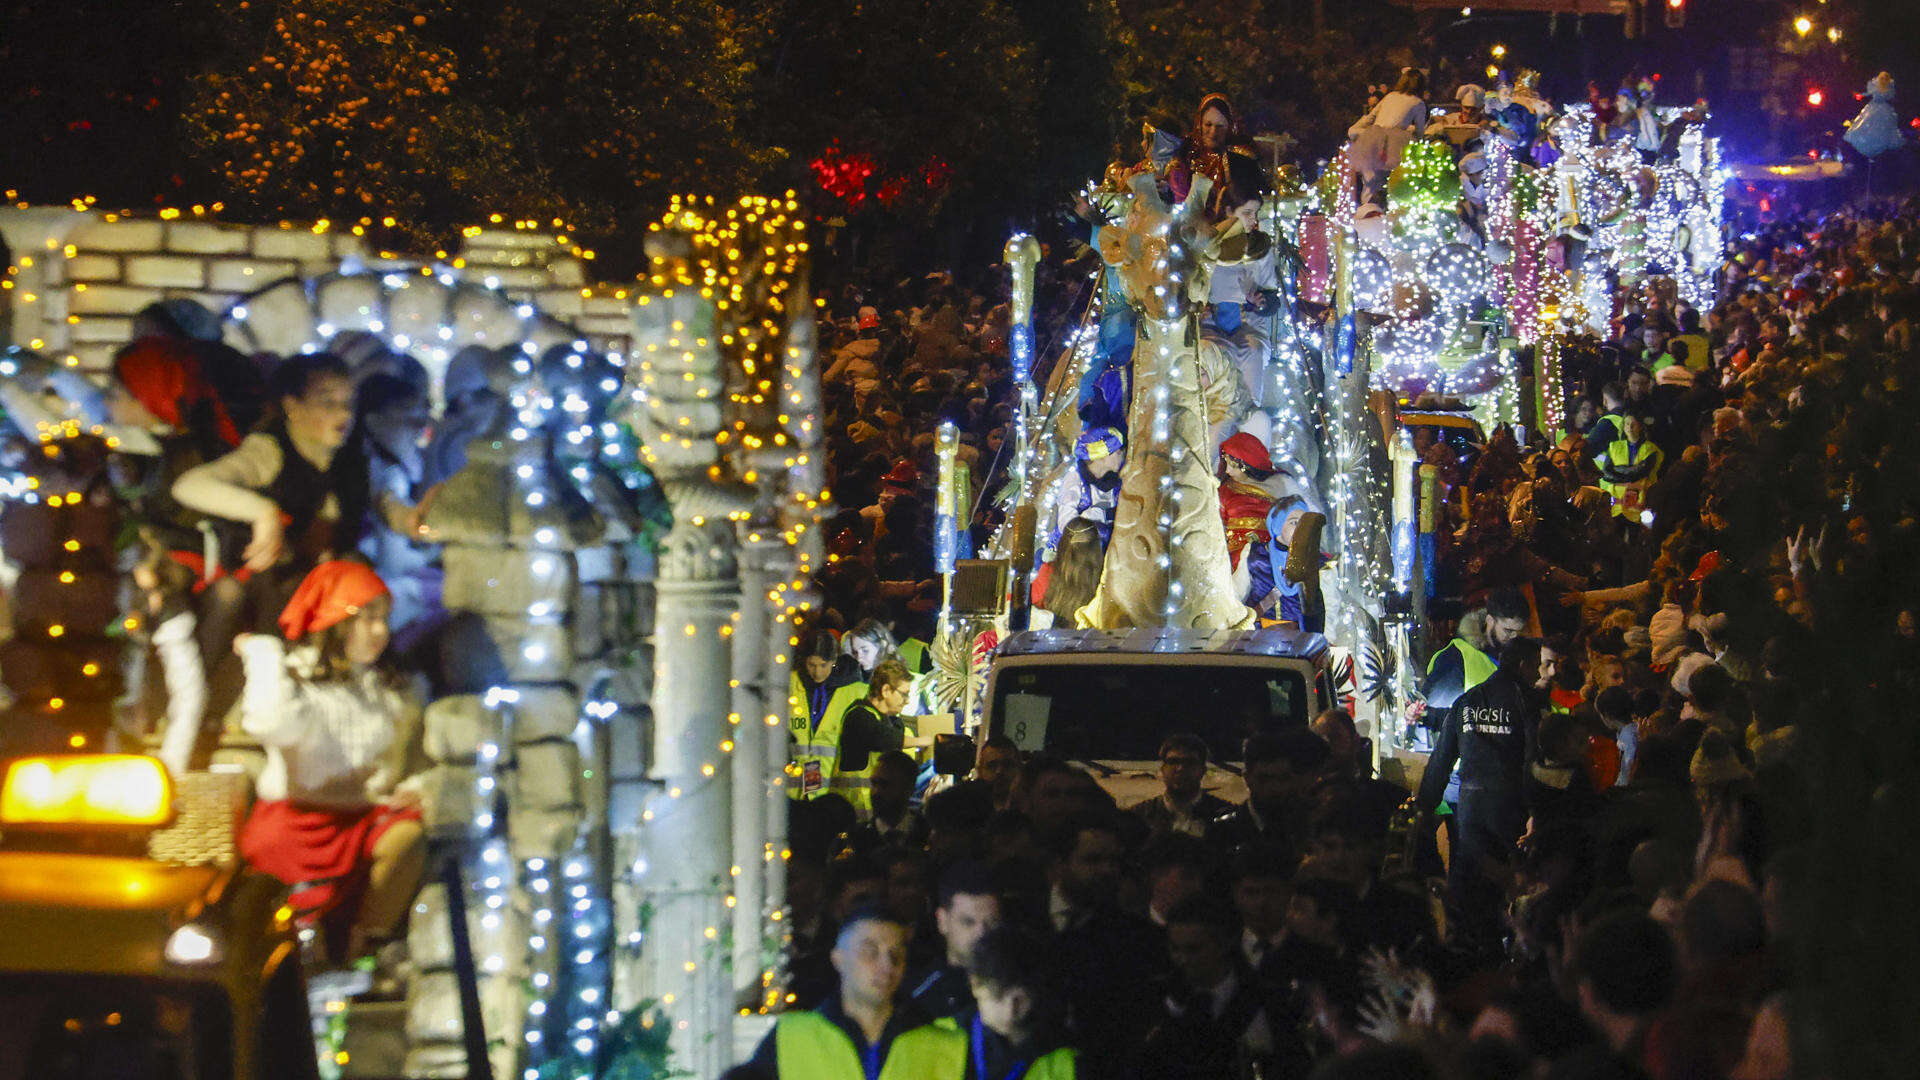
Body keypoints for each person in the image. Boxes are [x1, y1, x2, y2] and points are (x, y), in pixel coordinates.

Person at [234, 560, 425, 966]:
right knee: (279, 897)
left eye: (384, 620)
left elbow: (409, 755)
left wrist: (405, 786)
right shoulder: (296, 676)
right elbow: (272, 723)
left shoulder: (391, 688)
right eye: (367, 619)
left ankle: (363, 944)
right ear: (336, 620)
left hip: (358, 821)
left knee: (407, 834)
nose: (380, 632)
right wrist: (263, 653)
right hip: (298, 822)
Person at [1415, 635, 1555, 952]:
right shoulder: (1528, 703)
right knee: (1509, 887)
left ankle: (1468, 954)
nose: (1538, 674)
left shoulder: (1466, 702)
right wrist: (1536, 812)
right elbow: (1532, 760)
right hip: (1509, 808)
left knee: (1466, 886)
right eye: (1535, 665)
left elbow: (1440, 761)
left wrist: (1424, 809)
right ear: (1522, 665)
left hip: (1470, 808)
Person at [741, 906, 965, 1079]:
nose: (886, 965)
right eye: (870, 952)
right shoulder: (791, 1037)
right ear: (838, 959)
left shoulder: (944, 1044)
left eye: (895, 954)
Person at [964, 927, 1079, 1080]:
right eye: (998, 997)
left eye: (1020, 1000)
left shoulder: (1066, 1058)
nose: (1010, 1011)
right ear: (976, 985)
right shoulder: (940, 1040)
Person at [1209, 730, 1332, 865]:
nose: (1275, 788)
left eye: (1283, 778)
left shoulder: (1310, 823)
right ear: (1247, 778)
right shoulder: (1223, 831)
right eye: (1264, 779)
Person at [910, 861, 1004, 1022]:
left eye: (992, 922)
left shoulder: (1022, 989)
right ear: (942, 921)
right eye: (968, 922)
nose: (981, 933)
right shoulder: (919, 999)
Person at [790, 630, 870, 803]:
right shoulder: (792, 684)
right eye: (812, 665)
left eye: (824, 665)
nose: (817, 672)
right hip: (793, 788)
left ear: (834, 661)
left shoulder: (856, 691)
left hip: (833, 788)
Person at [831, 660, 916, 818]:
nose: (907, 700)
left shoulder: (889, 721)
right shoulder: (859, 715)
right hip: (851, 811)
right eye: (904, 694)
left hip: (869, 811)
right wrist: (927, 740)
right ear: (885, 690)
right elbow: (883, 739)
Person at [1041, 427, 1125, 563]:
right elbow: (1068, 525)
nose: (1121, 455)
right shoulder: (1075, 479)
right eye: (1117, 452)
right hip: (1073, 556)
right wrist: (1101, 514)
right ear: (1102, 457)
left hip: (1103, 553)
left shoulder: (1116, 483)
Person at [1129, 733, 1236, 838]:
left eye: (1189, 762)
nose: (1180, 769)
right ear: (1162, 769)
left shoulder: (1224, 815)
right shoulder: (1139, 816)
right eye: (1173, 762)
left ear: (1202, 771)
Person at [1349, 68, 1429, 206]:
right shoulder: (1418, 103)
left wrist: (1356, 129)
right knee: (1393, 181)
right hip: (1396, 142)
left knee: (1370, 182)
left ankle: (1367, 213)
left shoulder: (1390, 96)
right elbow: (1420, 132)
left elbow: (1371, 117)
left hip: (1374, 136)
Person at [1217, 432, 1279, 569]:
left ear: (1247, 465)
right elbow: (1217, 524)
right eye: (1226, 463)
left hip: (1269, 557)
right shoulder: (1226, 490)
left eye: (1233, 466)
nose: (1227, 470)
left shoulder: (1279, 485)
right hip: (1233, 560)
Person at [851, 751, 929, 854]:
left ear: (909, 789)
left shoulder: (929, 835)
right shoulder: (855, 840)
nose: (876, 792)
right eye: (874, 783)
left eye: (885, 785)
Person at [1032, 517, 1103, 629]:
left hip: (1055, 642)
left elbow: (1032, 601)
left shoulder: (1048, 571)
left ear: (1062, 543)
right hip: (1093, 642)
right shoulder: (1106, 576)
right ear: (1097, 546)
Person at [1594, 413, 1664, 521]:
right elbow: (1606, 472)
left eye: (1633, 424)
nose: (1630, 428)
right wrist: (1631, 471)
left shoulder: (1650, 449)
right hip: (1616, 504)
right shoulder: (1614, 447)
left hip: (1640, 503)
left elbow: (1642, 472)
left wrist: (1619, 470)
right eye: (1627, 424)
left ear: (1640, 427)